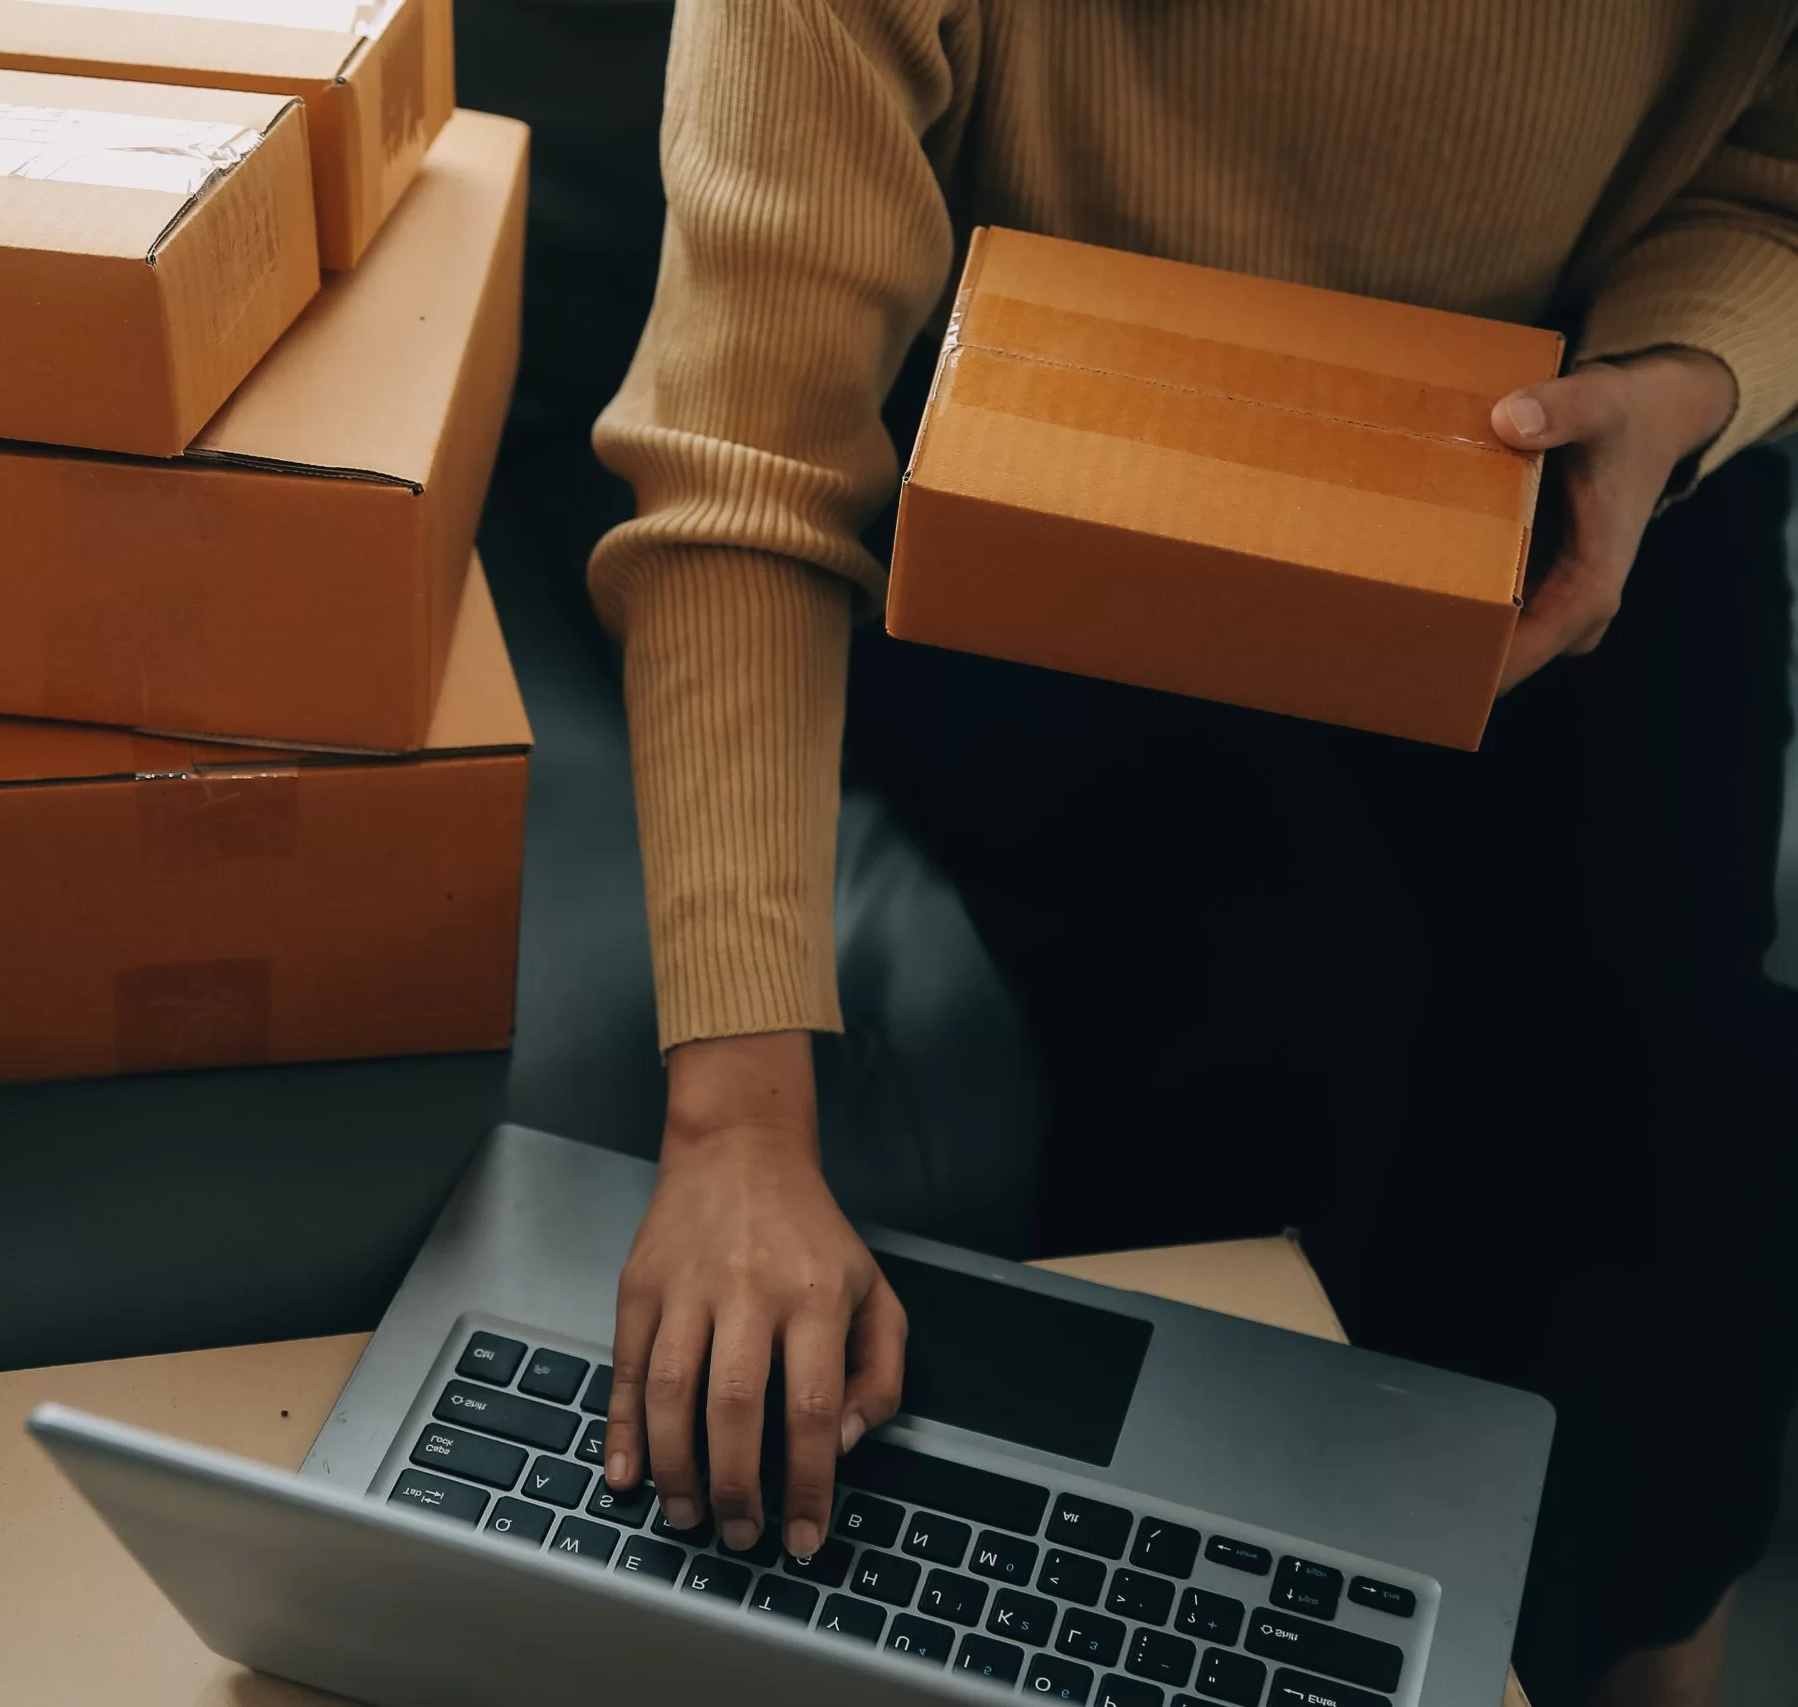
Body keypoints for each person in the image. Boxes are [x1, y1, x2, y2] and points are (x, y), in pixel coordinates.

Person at [582, 6, 1798, 1704]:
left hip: (1582, 437)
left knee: (1664, 1129)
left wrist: (1686, 375)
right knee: (1236, 1061)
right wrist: (736, 1120)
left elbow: (1774, 166)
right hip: (1050, 447)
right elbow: (751, 457)